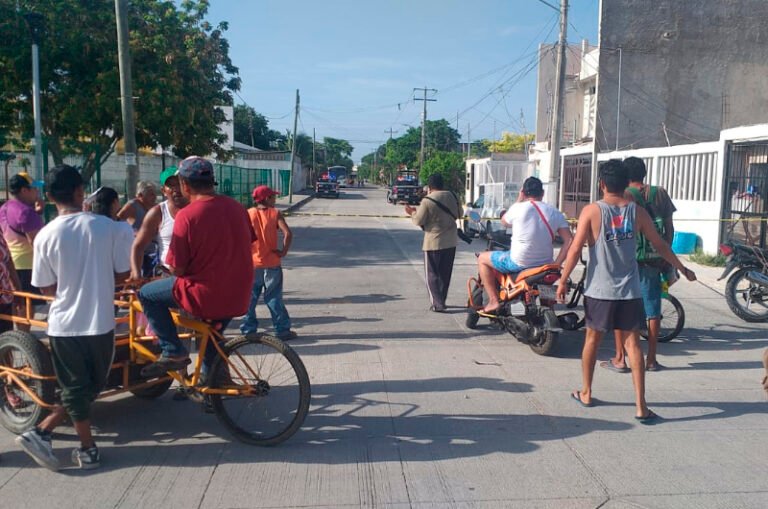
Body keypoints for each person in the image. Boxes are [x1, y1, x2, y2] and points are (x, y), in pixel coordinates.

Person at [556, 159, 696, 422]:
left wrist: (563, 279)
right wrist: (682, 268)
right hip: (630, 291)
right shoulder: (637, 212)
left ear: (602, 184)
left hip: (599, 290)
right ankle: (641, 406)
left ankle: (586, 393)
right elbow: (661, 245)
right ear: (625, 185)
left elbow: (575, 249)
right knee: (633, 345)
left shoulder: (591, 211)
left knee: (592, 340)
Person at [16, 165, 130, 471]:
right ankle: (86, 448)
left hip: (63, 325)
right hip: (100, 322)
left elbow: (45, 287)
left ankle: (41, 433)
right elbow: (123, 273)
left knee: (80, 389)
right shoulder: (107, 227)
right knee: (89, 387)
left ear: (50, 197)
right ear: (81, 193)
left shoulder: (45, 235)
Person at [137, 156, 254, 378]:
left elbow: (177, 269)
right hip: (239, 293)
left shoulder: (187, 215)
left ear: (185, 184)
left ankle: (173, 351)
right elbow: (247, 243)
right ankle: (213, 385)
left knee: (147, 295)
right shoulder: (237, 207)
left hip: (205, 295)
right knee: (211, 336)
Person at [602, 157, 678, 373]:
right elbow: (670, 227)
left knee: (621, 307)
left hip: (629, 259)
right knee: (653, 309)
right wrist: (665, 254)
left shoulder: (624, 195)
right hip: (654, 258)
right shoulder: (660, 193)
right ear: (644, 173)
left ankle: (620, 358)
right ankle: (651, 359)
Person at [476, 176, 573, 313]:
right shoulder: (555, 212)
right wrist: (556, 263)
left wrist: (519, 199)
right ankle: (548, 305)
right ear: (542, 193)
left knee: (482, 258)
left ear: (523, 192)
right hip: (546, 265)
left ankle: (493, 301)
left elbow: (504, 222)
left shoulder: (518, 208)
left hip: (518, 263)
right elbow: (569, 240)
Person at [240, 185, 296, 340]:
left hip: (253, 264)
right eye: (273, 197)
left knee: (250, 299)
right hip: (272, 264)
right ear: (266, 198)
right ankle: (282, 330)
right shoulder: (275, 213)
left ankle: (249, 329)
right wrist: (283, 252)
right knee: (274, 297)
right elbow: (288, 234)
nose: (275, 199)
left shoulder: (248, 214)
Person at [404, 174, 460, 313]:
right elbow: (460, 213)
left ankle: (437, 304)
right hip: (451, 241)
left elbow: (419, 220)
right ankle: (442, 300)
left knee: (432, 274)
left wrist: (412, 212)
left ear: (429, 187)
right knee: (445, 274)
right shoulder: (453, 196)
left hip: (433, 242)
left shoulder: (427, 200)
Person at [0, 172, 45, 328]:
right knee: (27, 307)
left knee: (16, 304)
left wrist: (38, 213)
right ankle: (24, 337)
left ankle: (16, 337)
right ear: (24, 190)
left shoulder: (5, 208)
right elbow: (36, 243)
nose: (37, 192)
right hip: (28, 266)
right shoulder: (27, 212)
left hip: (10, 265)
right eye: (34, 188)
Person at [130, 167, 188, 280]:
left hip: (197, 276)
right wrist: (136, 274)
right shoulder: (158, 213)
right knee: (147, 291)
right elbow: (138, 246)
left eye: (179, 183)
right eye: (171, 185)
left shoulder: (198, 208)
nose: (176, 189)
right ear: (163, 191)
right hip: (169, 276)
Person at [117, 180, 158, 277]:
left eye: (155, 194)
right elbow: (117, 221)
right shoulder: (133, 205)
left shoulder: (155, 207)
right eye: (151, 194)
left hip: (152, 250)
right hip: (138, 252)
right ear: (140, 195)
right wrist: (133, 232)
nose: (155, 197)